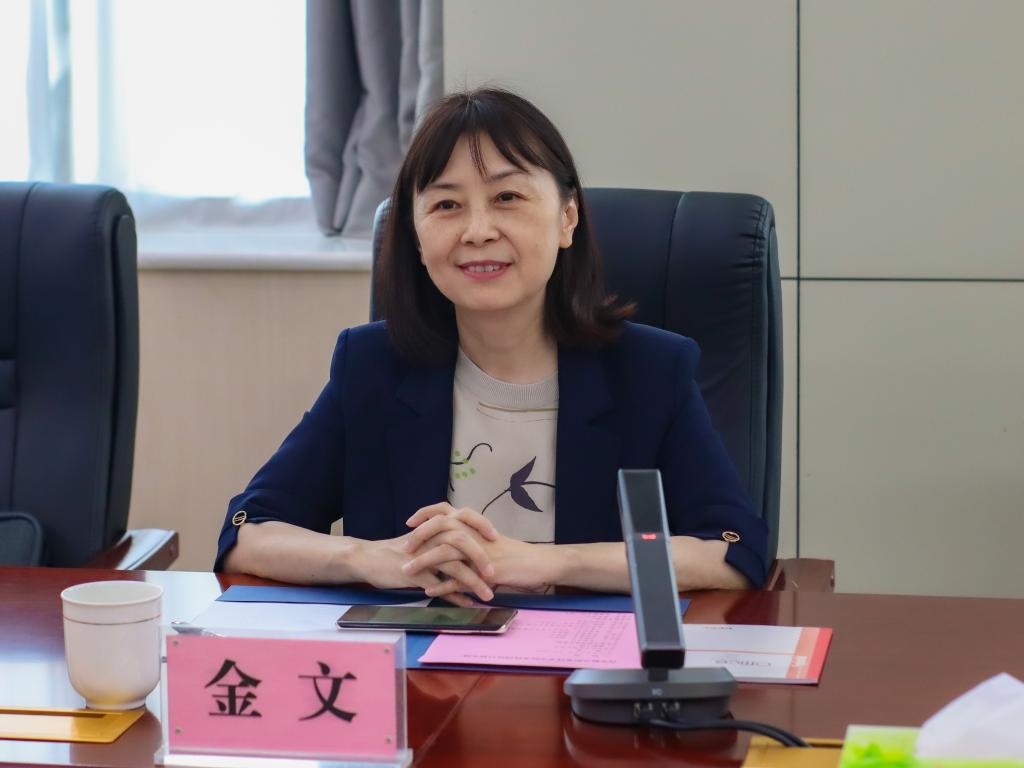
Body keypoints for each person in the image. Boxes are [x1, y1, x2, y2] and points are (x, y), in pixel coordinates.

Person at [217, 88, 769, 604]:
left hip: (586, 667)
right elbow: (249, 533)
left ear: (567, 218)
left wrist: (545, 563)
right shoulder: (373, 367)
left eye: (507, 197)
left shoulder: (649, 372)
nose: (477, 230)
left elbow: (732, 550)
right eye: (446, 205)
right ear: (415, 236)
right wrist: (373, 558)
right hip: (419, 664)